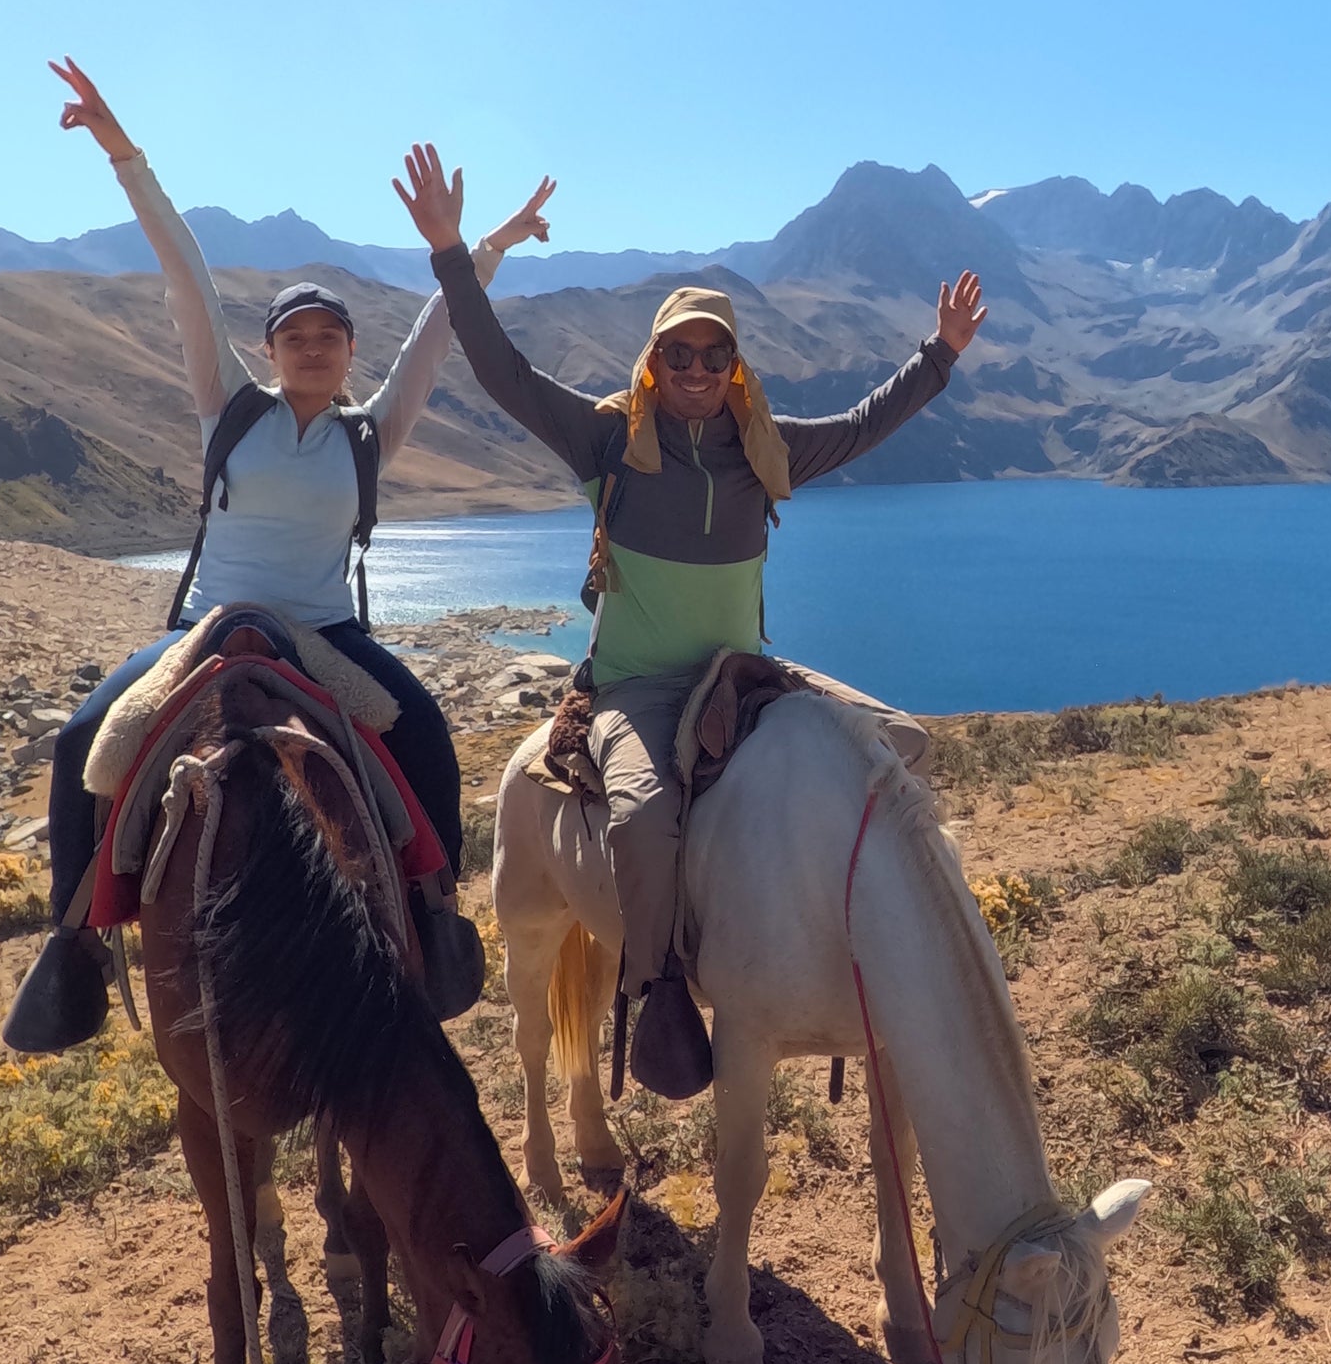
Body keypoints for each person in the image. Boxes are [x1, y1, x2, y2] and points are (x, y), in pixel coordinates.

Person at [392, 143, 987, 1100]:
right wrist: (452, 255)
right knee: (642, 812)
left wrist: (940, 356)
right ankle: (661, 987)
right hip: (638, 688)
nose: (698, 368)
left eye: (715, 355)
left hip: (745, 678)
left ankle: (843, 947)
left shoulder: (767, 452)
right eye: (680, 355)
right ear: (654, 364)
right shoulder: (607, 439)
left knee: (901, 741)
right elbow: (502, 372)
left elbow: (869, 420)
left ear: (733, 366)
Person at [3, 64, 554, 1055]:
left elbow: (435, 337)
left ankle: (434, 914)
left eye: (328, 337)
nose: (310, 349)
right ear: (267, 347)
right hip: (210, 629)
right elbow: (184, 273)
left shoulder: (367, 434)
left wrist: (489, 246)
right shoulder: (231, 408)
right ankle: (75, 947)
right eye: (294, 336)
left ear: (348, 353)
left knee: (423, 730)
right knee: (83, 737)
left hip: (324, 636)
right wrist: (124, 154)